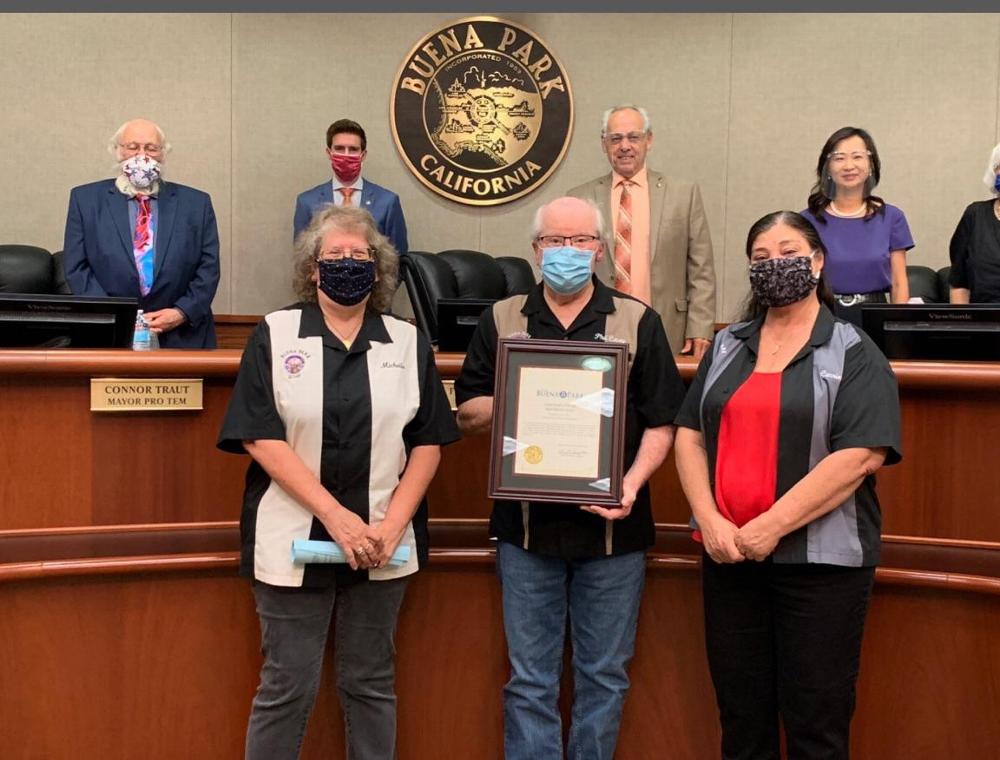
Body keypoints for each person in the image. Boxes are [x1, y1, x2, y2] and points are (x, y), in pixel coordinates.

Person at [217, 204, 458, 759]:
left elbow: (427, 441)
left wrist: (392, 525)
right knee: (286, 686)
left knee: (371, 683)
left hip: (385, 542)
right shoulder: (275, 334)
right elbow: (259, 436)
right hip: (293, 537)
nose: (348, 264)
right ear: (312, 269)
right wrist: (336, 518)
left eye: (360, 256)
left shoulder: (405, 339)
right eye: (335, 256)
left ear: (377, 271)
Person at [455, 196, 686, 760]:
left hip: (613, 529)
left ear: (600, 250)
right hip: (526, 532)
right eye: (554, 242)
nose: (567, 252)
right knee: (530, 682)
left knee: (604, 677)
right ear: (535, 251)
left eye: (579, 241)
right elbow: (466, 412)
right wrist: (512, 394)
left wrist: (630, 484)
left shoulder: (636, 320)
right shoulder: (503, 317)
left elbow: (663, 423)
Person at [674, 210, 902, 760]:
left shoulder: (852, 349)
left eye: (789, 252)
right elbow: (688, 435)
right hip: (729, 559)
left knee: (815, 726)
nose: (775, 266)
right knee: (741, 719)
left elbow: (859, 455)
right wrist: (709, 520)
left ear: (818, 262)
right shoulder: (728, 344)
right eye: (760, 258)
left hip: (821, 569)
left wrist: (769, 528)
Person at [568, 104, 717, 360]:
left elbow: (701, 270)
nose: (624, 146)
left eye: (633, 137)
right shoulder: (580, 198)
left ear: (649, 140)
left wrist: (701, 327)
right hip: (597, 329)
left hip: (666, 328)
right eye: (615, 138)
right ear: (604, 144)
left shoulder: (683, 194)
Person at [63, 118, 221, 347]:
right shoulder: (85, 200)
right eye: (132, 146)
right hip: (108, 335)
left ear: (163, 154)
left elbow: (209, 267)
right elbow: (77, 267)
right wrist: (116, 316)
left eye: (151, 148)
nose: (141, 155)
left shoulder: (196, 204)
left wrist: (182, 312)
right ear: (117, 151)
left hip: (183, 336)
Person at [801, 126, 914, 324]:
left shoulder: (891, 217)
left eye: (857, 156)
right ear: (827, 168)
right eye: (839, 157)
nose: (849, 165)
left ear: (871, 165)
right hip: (820, 317)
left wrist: (899, 327)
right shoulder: (806, 221)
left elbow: (898, 282)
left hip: (875, 317)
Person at [293, 119, 408, 254]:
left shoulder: (388, 201)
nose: (346, 155)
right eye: (339, 148)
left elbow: (399, 257)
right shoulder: (307, 202)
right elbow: (302, 257)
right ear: (329, 153)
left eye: (353, 149)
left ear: (363, 155)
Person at [949, 142, 1000, 303]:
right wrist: (961, 325)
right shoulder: (975, 215)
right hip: (983, 323)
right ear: (994, 171)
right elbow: (959, 282)